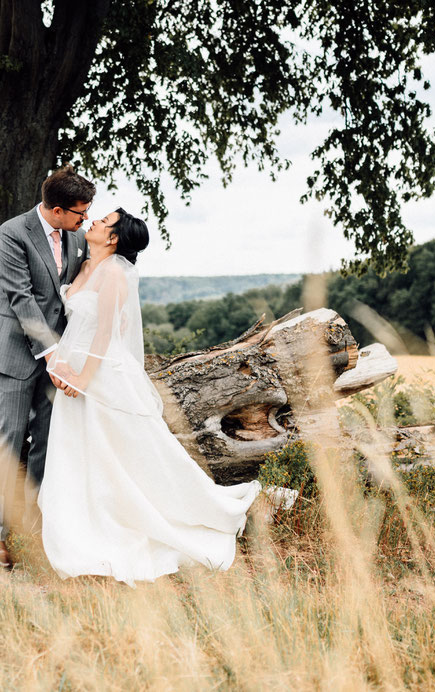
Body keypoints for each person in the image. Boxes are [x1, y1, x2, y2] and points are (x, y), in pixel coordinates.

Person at [38, 208, 261, 585]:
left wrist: (80, 378)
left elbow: (106, 332)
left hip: (101, 376)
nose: (93, 222)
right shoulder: (85, 266)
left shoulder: (113, 273)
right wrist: (59, 363)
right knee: (81, 454)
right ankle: (82, 523)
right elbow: (77, 324)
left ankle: (181, 516)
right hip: (72, 373)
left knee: (130, 457)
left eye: (103, 221)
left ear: (112, 239)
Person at [0, 165, 94, 569]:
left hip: (59, 358)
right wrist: (53, 356)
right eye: (80, 213)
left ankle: (34, 523)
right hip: (16, 353)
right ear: (58, 209)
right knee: (9, 440)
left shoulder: (78, 237)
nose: (86, 220)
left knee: (47, 440)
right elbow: (20, 299)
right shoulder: (12, 233)